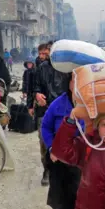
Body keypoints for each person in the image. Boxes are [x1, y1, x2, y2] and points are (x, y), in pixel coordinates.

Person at [41, 74, 84, 209]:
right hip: (62, 161)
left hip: (83, 161)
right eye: (75, 80)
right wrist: (52, 147)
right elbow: (45, 127)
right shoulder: (58, 104)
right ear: (69, 83)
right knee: (68, 198)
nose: (79, 84)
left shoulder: (93, 104)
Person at [28, 43, 68, 186]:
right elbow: (35, 87)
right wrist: (37, 95)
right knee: (45, 141)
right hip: (44, 111)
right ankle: (47, 170)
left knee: (65, 140)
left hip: (63, 111)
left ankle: (63, 171)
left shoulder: (67, 69)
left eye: (48, 52)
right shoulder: (41, 69)